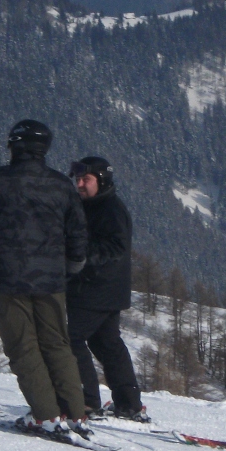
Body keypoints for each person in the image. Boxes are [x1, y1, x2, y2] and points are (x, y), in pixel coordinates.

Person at [0, 119, 90, 438]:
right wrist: (72, 264)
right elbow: (78, 231)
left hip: (7, 276)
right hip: (52, 279)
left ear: (13, 145)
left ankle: (45, 416)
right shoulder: (60, 185)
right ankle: (75, 413)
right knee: (57, 344)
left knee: (23, 347)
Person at [65, 156, 147, 421]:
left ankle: (87, 402)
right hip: (107, 290)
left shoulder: (109, 209)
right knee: (107, 344)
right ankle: (129, 403)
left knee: (70, 339)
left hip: (94, 289)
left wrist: (80, 255)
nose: (79, 184)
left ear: (102, 180)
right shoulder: (93, 206)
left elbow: (115, 247)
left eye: (85, 179)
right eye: (77, 179)